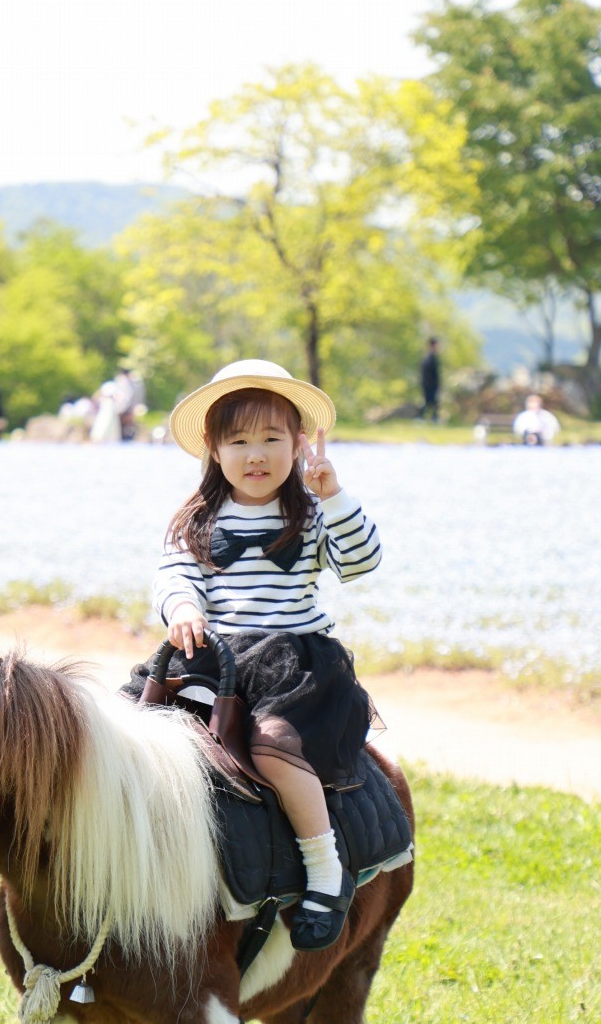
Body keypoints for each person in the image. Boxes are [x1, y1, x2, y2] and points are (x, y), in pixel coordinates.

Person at [144, 359, 382, 951]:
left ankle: (325, 871)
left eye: (273, 439)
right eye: (240, 440)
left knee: (274, 749)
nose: (258, 455)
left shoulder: (309, 514)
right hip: (215, 657)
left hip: (294, 666)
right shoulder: (197, 519)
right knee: (152, 742)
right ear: (213, 448)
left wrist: (335, 496)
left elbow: (361, 562)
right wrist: (182, 610)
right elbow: (173, 576)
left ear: (300, 443)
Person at [418, 337, 441, 421]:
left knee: (432, 402)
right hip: (429, 385)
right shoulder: (429, 358)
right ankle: (421, 417)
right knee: (429, 402)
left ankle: (433, 418)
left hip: (430, 385)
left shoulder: (431, 358)